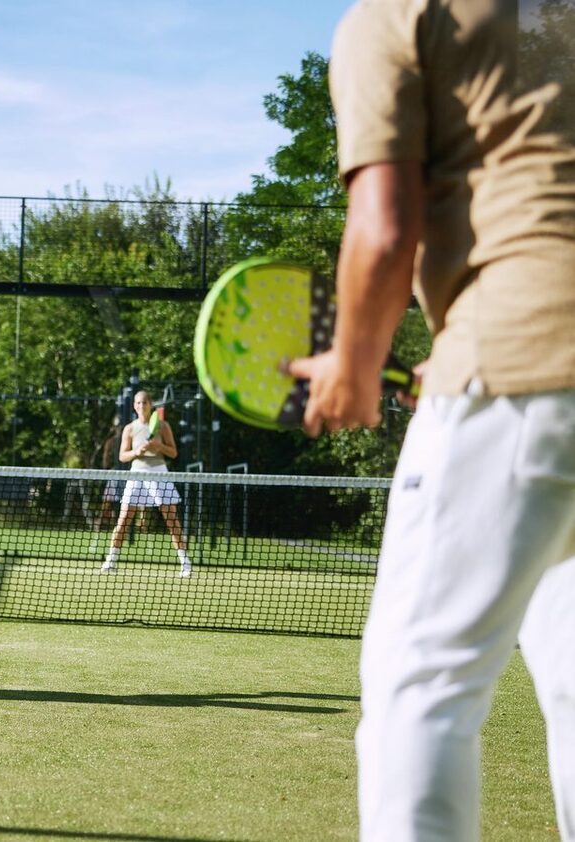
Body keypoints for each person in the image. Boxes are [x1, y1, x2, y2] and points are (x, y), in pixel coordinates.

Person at [286, 2, 575, 838]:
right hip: (512, 365)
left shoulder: (393, 17)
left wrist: (350, 365)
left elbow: (383, 230)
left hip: (518, 364)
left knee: (423, 688)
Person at [100, 391, 191, 577]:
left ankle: (185, 563)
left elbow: (173, 453)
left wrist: (159, 447)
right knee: (124, 519)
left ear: (151, 404)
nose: (141, 406)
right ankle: (110, 561)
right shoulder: (129, 428)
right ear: (134, 406)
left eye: (144, 403)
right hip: (137, 474)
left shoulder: (163, 426)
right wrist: (137, 452)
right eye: (138, 403)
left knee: (172, 520)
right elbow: (122, 456)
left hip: (159, 473)